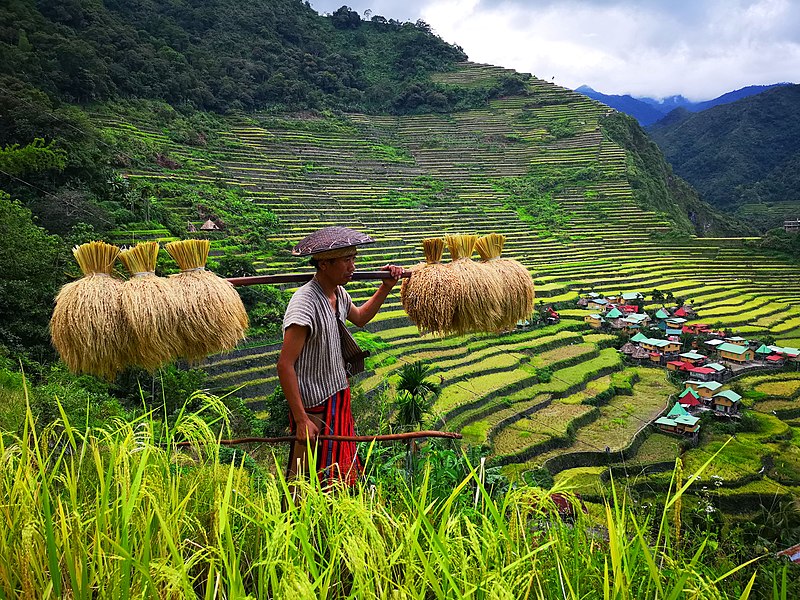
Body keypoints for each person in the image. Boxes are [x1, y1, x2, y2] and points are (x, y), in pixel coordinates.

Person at [276, 227, 403, 486]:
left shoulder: (338, 293)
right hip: (314, 405)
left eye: (354, 259)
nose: (353, 267)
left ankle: (332, 523)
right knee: (303, 480)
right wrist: (301, 420)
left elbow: (360, 318)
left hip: (337, 393)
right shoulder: (304, 303)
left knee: (336, 476)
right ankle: (294, 523)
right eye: (347, 260)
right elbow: (285, 364)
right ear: (324, 264)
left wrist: (386, 287)